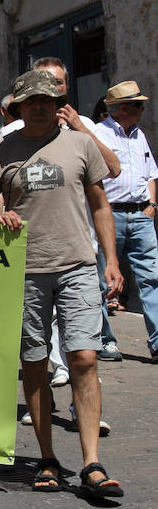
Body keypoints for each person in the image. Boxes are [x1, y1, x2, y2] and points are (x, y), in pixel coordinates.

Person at [0, 69, 124, 498]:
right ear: (17, 108)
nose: (40, 106)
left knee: (85, 359)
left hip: (77, 265)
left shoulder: (79, 143)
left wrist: (110, 260)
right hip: (25, 271)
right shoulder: (2, 148)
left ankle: (92, 462)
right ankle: (47, 458)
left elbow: (100, 205)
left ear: (57, 104)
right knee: (35, 363)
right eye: (31, 101)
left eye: (47, 99)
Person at [95, 81, 158, 363]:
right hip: (110, 214)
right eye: (138, 105)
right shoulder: (99, 134)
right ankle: (107, 341)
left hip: (141, 215)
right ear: (122, 108)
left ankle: (157, 341)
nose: (143, 110)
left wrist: (152, 206)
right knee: (102, 282)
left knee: (152, 278)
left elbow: (151, 173)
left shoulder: (138, 135)